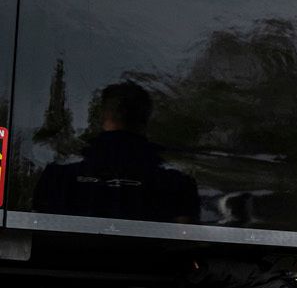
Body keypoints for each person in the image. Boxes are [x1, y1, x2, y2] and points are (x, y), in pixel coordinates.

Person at [33, 81, 199, 223]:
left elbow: (38, 223)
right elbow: (184, 237)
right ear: (145, 119)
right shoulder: (177, 183)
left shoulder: (58, 176)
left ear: (103, 115)